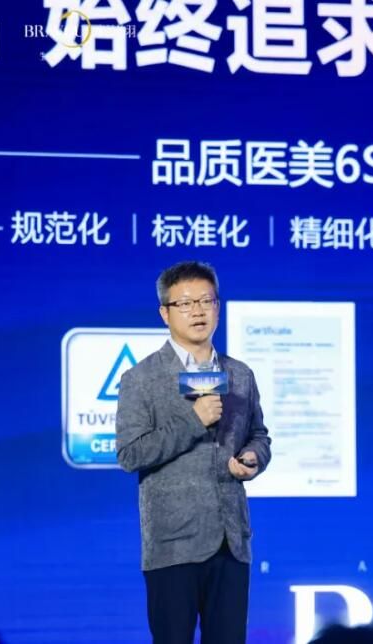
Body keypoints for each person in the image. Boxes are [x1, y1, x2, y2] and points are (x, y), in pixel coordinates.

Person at [116, 260, 272, 644]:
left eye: (206, 301)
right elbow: (130, 454)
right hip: (173, 545)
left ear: (218, 307)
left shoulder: (240, 374)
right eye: (185, 303)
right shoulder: (141, 379)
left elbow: (259, 435)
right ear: (165, 314)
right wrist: (193, 420)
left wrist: (253, 458)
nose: (198, 311)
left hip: (231, 542)